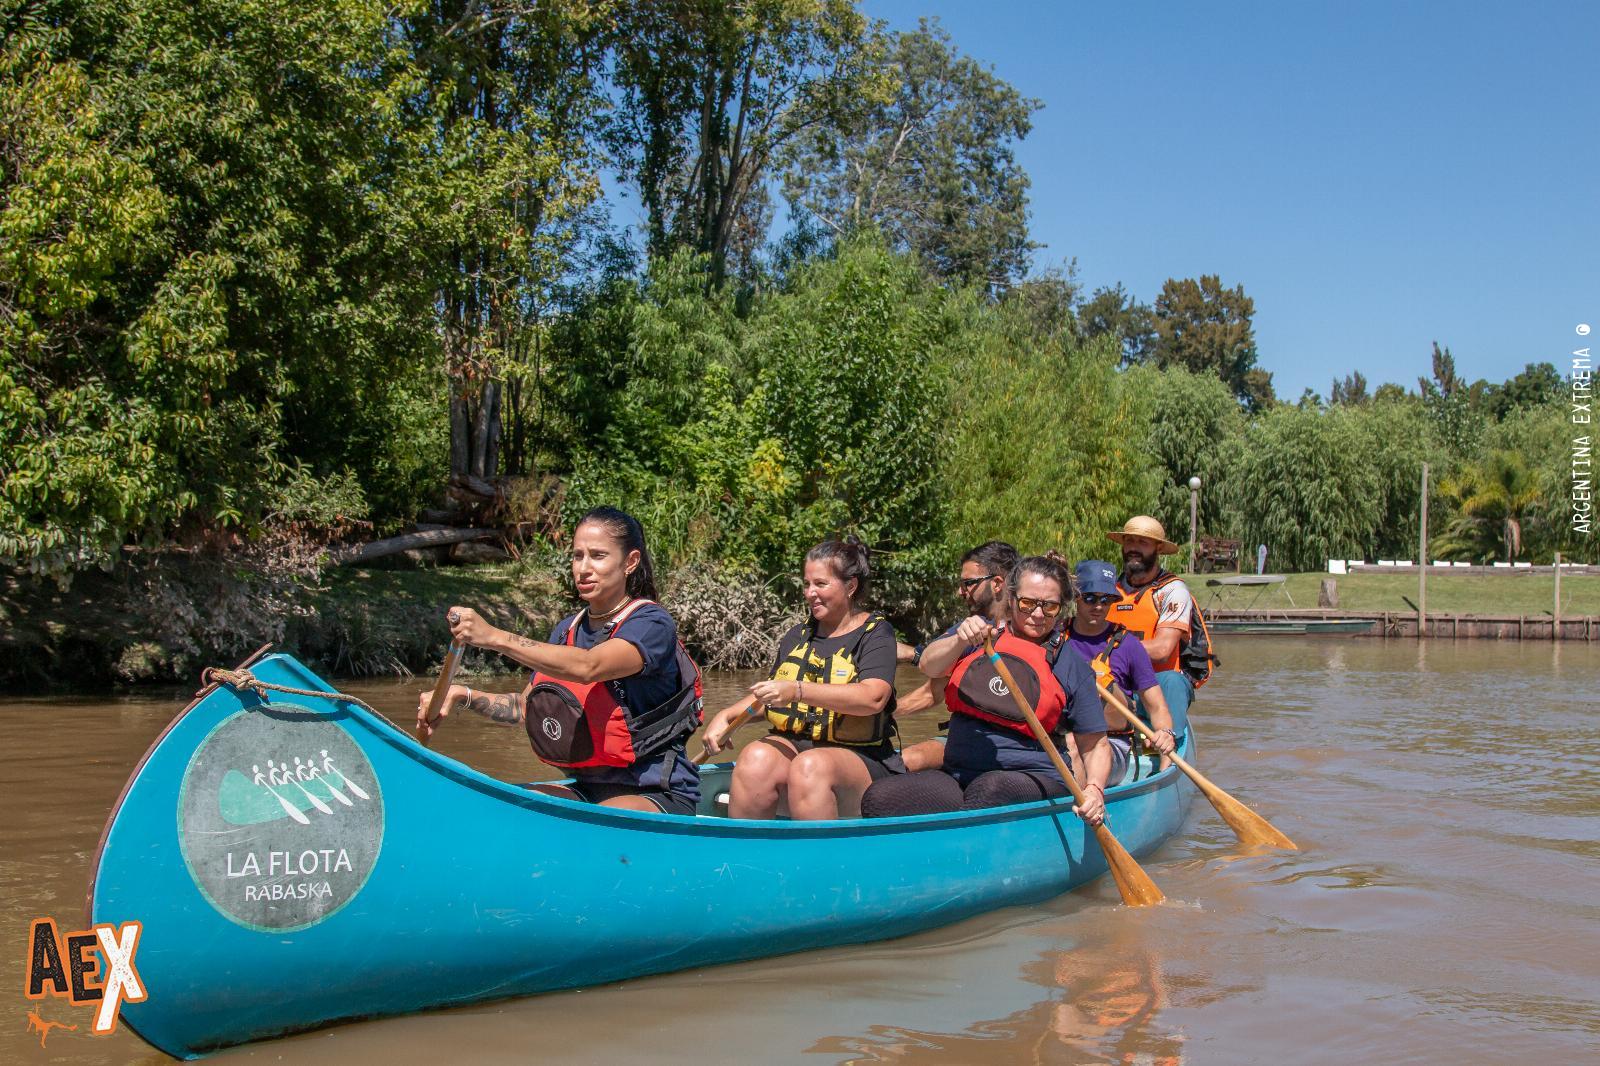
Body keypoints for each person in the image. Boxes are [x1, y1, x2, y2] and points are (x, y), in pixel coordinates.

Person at [415, 507, 702, 815]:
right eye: (578, 556)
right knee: (514, 808)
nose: (583, 568)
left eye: (598, 556)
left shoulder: (651, 624)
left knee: (597, 825)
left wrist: (493, 636)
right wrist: (462, 694)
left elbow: (589, 667)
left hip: (655, 793)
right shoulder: (567, 630)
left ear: (630, 562)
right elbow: (525, 708)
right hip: (588, 789)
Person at [861, 555, 1111, 822]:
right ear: (1011, 599)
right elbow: (928, 666)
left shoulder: (1071, 665)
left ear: (1060, 608)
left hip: (1036, 778)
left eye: (1049, 607)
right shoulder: (979, 633)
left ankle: (964, 853)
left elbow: (1095, 745)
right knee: (880, 797)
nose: (1037, 615)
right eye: (1028, 603)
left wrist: (1095, 790)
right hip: (960, 773)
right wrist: (958, 640)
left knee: (990, 790)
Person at [700, 540, 899, 820]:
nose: (810, 593)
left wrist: (797, 691)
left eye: (820, 584)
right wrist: (728, 715)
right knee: (755, 757)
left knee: (811, 766)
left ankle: (818, 861)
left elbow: (873, 697)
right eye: (806, 585)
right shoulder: (797, 636)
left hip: (861, 758)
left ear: (851, 586)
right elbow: (772, 695)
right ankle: (745, 860)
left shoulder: (877, 634)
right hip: (798, 748)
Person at [896, 540, 1019, 772]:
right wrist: (883, 715)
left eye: (968, 583)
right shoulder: (971, 627)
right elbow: (931, 678)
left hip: (1017, 745)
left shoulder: (1029, 628)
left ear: (997, 584)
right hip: (965, 739)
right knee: (905, 761)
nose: (960, 591)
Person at [1067, 559, 1178, 784]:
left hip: (1111, 743)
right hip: (1061, 737)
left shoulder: (1128, 645)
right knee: (1068, 742)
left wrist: (1165, 733)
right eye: (1090, 598)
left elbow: (1156, 706)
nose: (1098, 606)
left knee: (1074, 747)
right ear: (1076, 597)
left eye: (1107, 600)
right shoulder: (1056, 638)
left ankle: (1081, 807)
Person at [1107, 516, 1209, 737]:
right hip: (1115, 683)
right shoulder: (1106, 591)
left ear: (1159, 548)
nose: (1134, 548)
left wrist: (1110, 648)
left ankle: (1168, 746)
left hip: (1159, 686)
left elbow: (1162, 650)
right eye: (1130, 541)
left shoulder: (1173, 590)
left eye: (1143, 543)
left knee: (1172, 681)